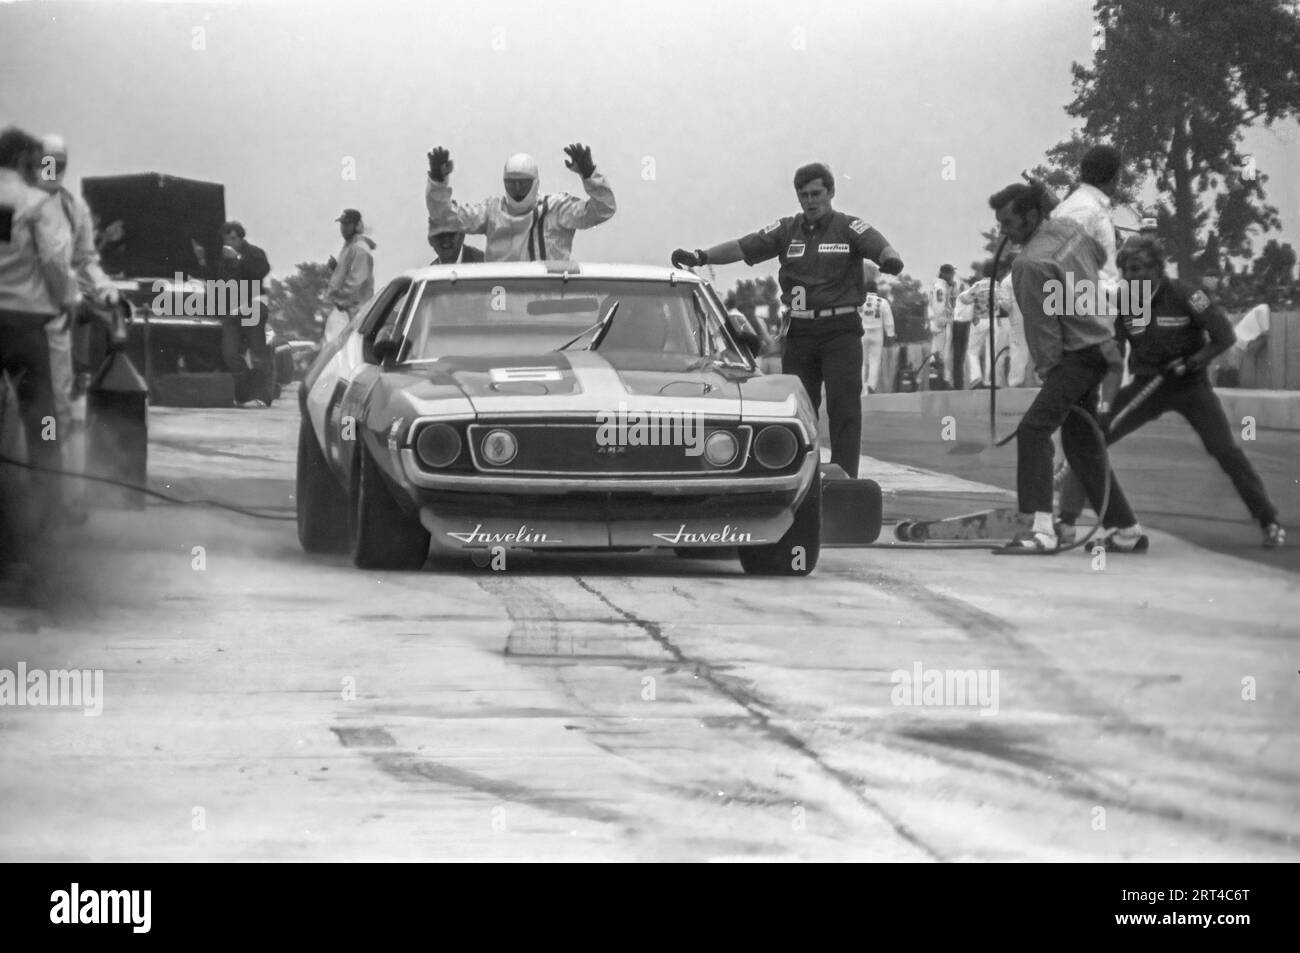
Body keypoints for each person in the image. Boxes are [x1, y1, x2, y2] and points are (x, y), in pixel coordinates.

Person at [670, 162, 903, 477]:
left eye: (817, 193)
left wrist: (889, 259)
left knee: (843, 408)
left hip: (840, 332)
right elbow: (743, 246)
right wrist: (701, 256)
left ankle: (846, 479)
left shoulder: (849, 227)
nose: (810, 200)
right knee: (797, 409)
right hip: (800, 332)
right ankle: (799, 476)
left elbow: (879, 245)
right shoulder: (786, 230)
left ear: (831, 192)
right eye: (804, 195)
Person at [1057, 236, 1284, 548]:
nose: (1131, 276)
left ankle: (1269, 520)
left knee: (1225, 451)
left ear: (1157, 268)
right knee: (1091, 440)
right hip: (1147, 386)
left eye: (1137, 269)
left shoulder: (1188, 294)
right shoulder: (1126, 301)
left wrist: (1192, 362)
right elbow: (1116, 351)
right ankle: (1066, 522)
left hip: (1190, 386)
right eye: (1125, 270)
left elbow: (1224, 336)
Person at [989, 180, 1145, 554]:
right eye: (1000, 223)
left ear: (1031, 215)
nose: (1004, 232)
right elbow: (1099, 255)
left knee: (1033, 431)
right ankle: (1125, 529)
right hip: (1102, 345)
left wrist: (1050, 374)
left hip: (1075, 357)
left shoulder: (1028, 265)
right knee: (1080, 444)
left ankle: (1038, 530)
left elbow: (1044, 334)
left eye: (1009, 222)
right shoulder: (1070, 228)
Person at [0, 127, 77, 547]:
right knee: (42, 417)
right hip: (23, 326)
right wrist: (64, 299)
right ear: (27, 161)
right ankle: (49, 509)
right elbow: (52, 259)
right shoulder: (35, 202)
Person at [35, 135, 121, 505]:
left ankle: (57, 496)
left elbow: (85, 260)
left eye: (59, 162)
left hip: (52, 324)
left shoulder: (73, 209)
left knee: (56, 411)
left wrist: (103, 289)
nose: (52, 170)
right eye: (46, 162)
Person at [425, 144, 616, 262]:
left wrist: (589, 174)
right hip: (500, 303)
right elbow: (445, 217)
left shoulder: (556, 208)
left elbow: (603, 210)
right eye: (511, 183)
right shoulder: (492, 211)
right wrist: (437, 180)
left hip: (548, 308)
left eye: (523, 183)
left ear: (535, 183)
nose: (516, 189)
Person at [207, 220, 273, 405]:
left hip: (252, 305)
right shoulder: (221, 258)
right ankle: (245, 394)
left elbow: (259, 272)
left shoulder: (255, 253)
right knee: (230, 354)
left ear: (241, 238)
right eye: (226, 239)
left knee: (258, 354)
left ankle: (262, 395)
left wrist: (236, 259)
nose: (229, 242)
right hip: (231, 310)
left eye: (233, 238)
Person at [959, 259, 1014, 388]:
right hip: (993, 320)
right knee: (992, 352)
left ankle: (976, 378)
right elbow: (1006, 304)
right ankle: (991, 380)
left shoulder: (978, 285)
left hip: (979, 320)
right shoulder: (997, 286)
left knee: (972, 350)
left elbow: (964, 298)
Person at [325, 208, 375, 332]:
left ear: (357, 225)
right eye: (342, 224)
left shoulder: (360, 249)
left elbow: (355, 282)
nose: (343, 227)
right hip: (349, 312)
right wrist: (336, 268)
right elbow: (349, 274)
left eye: (347, 224)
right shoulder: (350, 245)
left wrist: (340, 301)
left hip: (358, 313)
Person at [860, 279, 895, 394]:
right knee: (874, 360)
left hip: (862, 332)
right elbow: (888, 319)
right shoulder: (882, 302)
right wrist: (890, 334)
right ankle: (871, 385)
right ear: (876, 289)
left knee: (862, 361)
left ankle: (861, 386)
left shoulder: (859, 301)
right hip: (877, 333)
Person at [927, 264, 957, 388]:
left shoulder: (938, 285)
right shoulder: (940, 287)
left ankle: (935, 379)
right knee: (943, 354)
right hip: (941, 323)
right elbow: (939, 306)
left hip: (936, 322)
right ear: (945, 274)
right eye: (951, 273)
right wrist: (942, 322)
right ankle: (942, 380)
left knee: (936, 352)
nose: (952, 276)